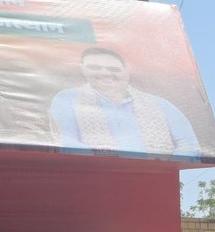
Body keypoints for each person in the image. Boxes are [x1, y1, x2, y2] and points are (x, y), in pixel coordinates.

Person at [48, 47, 200, 157]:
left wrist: (162, 166)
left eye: (113, 69)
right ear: (83, 70)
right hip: (91, 176)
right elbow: (64, 140)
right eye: (95, 67)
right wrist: (104, 160)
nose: (105, 73)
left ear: (126, 71)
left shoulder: (160, 105)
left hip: (155, 178)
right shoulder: (67, 98)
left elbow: (189, 145)